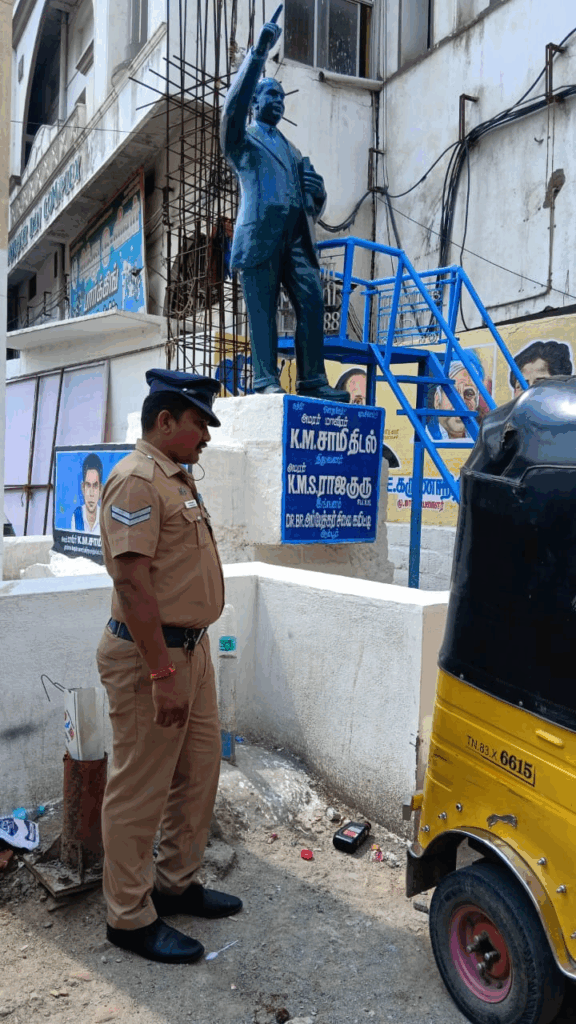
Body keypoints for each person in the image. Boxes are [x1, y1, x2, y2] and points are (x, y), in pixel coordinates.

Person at [96, 368, 242, 965]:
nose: (206, 435)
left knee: (199, 771)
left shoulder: (175, 477)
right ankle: (127, 917)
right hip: (149, 656)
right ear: (165, 422)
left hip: (193, 649)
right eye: (198, 424)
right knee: (140, 788)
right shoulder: (135, 481)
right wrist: (160, 675)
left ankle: (175, 884)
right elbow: (131, 584)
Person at [221, 6, 349, 403]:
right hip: (259, 237)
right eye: (269, 95)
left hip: (297, 240)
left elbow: (313, 204)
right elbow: (230, 112)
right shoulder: (244, 141)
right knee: (262, 312)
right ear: (255, 104)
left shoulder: (294, 152)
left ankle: (313, 379)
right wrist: (257, 55)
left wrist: (318, 193)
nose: (277, 100)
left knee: (311, 301)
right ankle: (264, 378)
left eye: (280, 95)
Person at [427, 356, 485, 442]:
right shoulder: (425, 437)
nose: (461, 402)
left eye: (469, 393)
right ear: (437, 399)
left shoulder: (480, 437)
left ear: (476, 402)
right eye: (452, 393)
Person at [71, 452, 103, 533]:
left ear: (100, 490)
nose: (91, 493)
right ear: (83, 488)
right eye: (88, 485)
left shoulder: (105, 518)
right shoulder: (77, 516)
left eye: (95, 486)